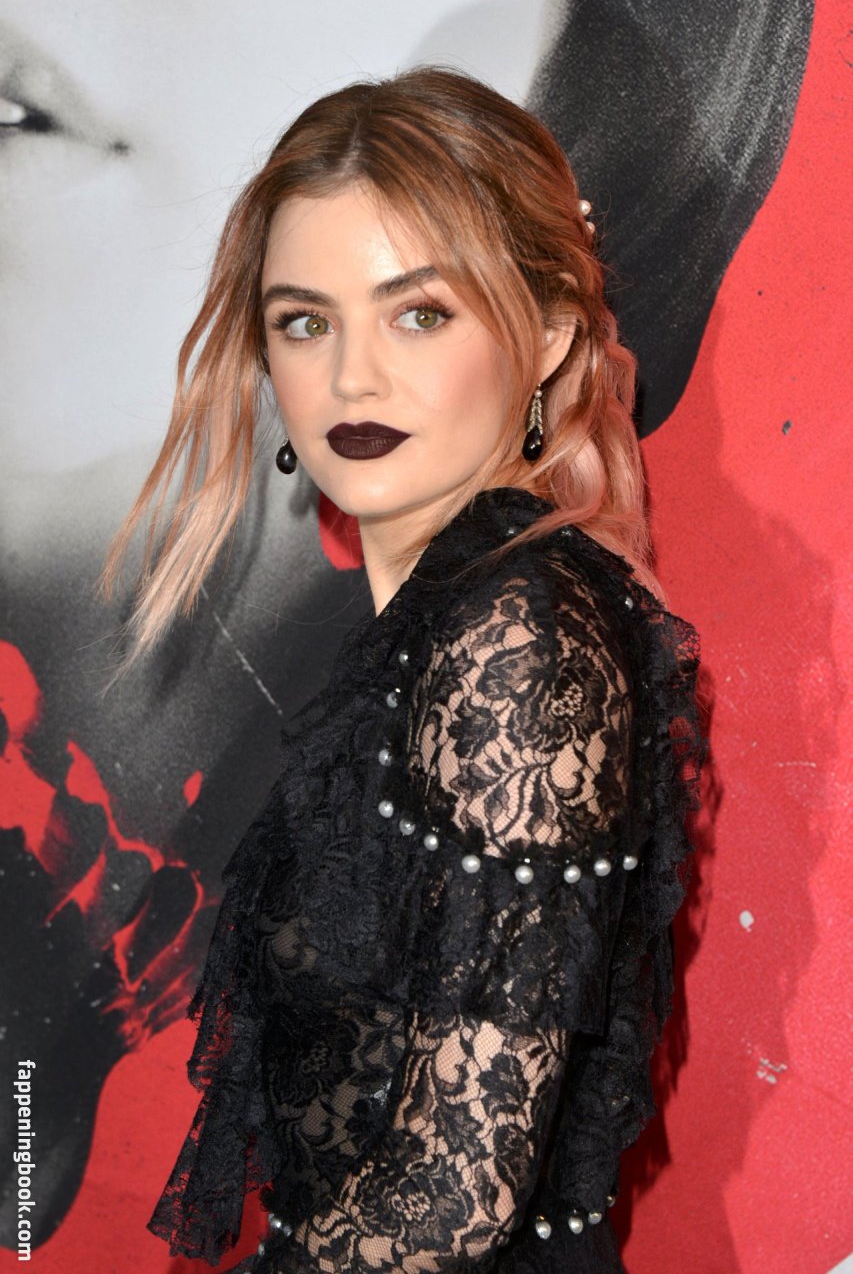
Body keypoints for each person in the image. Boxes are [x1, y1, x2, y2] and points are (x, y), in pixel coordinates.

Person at [101, 65, 706, 1274]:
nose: (352, 377)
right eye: (304, 320)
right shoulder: (439, 621)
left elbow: (452, 1199)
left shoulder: (516, 633)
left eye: (418, 313)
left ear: (545, 338)